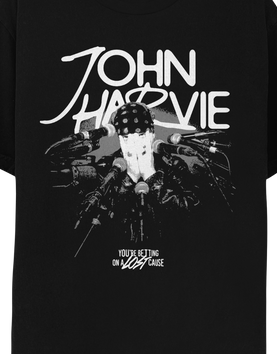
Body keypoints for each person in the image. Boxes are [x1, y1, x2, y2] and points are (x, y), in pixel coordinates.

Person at [77, 102, 200, 247]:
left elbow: (193, 211)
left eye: (141, 135)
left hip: (167, 251)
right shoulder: (107, 166)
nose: (134, 143)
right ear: (120, 140)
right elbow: (97, 220)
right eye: (126, 137)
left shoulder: (173, 165)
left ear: (152, 135)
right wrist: (128, 180)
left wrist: (151, 177)